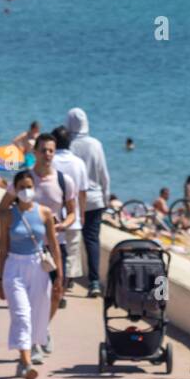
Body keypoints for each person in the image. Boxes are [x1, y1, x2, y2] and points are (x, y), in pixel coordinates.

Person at [0, 171, 63, 379]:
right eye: (21, 187)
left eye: (29, 186)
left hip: (38, 266)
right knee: (22, 314)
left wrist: (59, 276)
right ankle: (27, 364)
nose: (26, 191)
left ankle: (24, 356)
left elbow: (53, 245)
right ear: (15, 190)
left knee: (36, 314)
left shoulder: (45, 213)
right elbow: (3, 248)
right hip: (14, 266)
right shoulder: (8, 215)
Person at [66, 108, 110, 298]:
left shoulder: (68, 145)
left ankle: (69, 278)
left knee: (71, 240)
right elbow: (104, 174)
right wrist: (106, 199)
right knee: (91, 240)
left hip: (73, 200)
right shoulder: (95, 144)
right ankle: (94, 282)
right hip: (94, 199)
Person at [51, 124, 90, 296]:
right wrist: (81, 213)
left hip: (52, 218)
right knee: (70, 256)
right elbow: (82, 192)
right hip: (72, 218)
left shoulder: (49, 160)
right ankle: (64, 289)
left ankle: (55, 289)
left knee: (53, 254)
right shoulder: (78, 163)